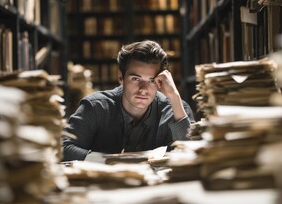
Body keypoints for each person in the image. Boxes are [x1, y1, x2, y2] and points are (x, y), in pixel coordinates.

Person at [62, 40, 195, 161]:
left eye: (152, 80)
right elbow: (63, 148)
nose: (143, 89)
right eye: (136, 79)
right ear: (121, 77)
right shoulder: (95, 107)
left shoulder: (176, 109)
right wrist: (108, 161)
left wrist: (175, 96)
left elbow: (192, 154)